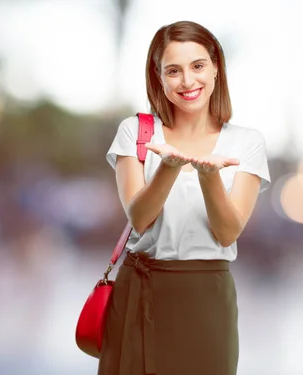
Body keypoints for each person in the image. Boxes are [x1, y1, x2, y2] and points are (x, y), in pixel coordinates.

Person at [99, 20, 270, 375]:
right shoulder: (137, 132)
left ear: (216, 67)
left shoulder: (246, 142)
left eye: (198, 66)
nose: (188, 81)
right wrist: (169, 167)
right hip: (139, 293)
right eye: (173, 70)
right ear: (158, 76)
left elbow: (227, 232)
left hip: (207, 299)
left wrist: (209, 177)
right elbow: (139, 218)